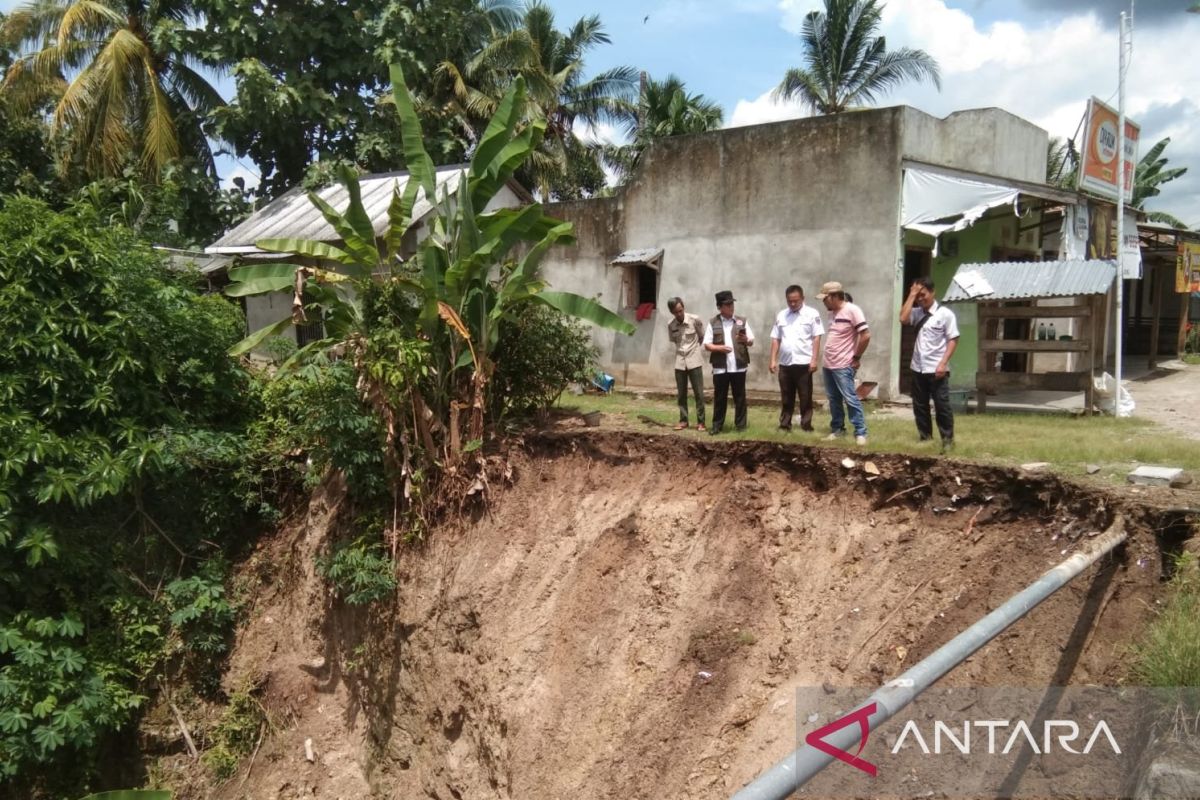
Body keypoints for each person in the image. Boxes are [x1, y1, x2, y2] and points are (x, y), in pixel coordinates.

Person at [900, 277, 960, 451]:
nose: (920, 299)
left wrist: (943, 363)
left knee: (942, 406)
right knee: (920, 405)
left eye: (923, 295)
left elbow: (953, 339)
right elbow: (903, 319)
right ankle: (925, 437)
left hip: (937, 368)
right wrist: (911, 295)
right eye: (918, 295)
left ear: (933, 293)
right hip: (918, 367)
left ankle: (947, 440)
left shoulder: (945, 314)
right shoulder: (917, 313)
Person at [815, 281, 870, 445]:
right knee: (833, 399)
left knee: (850, 398)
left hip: (844, 364)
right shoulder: (832, 313)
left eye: (825, 299)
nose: (823, 302)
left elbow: (865, 335)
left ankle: (860, 432)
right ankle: (837, 429)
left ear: (833, 297)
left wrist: (856, 357)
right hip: (829, 364)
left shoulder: (852, 310)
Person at [769, 284, 824, 432]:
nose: (793, 304)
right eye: (790, 301)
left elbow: (816, 338)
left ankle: (806, 425)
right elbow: (775, 338)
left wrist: (814, 360)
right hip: (786, 363)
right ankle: (785, 424)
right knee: (786, 397)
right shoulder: (782, 315)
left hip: (804, 363)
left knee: (805, 397)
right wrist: (773, 359)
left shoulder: (812, 314)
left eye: (796, 301)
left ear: (802, 298)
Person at [703, 290, 754, 435]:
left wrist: (746, 340)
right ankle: (717, 426)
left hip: (738, 366)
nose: (731, 306)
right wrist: (720, 348)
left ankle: (741, 426)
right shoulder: (713, 322)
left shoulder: (741, 321)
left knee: (740, 397)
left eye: (732, 303)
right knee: (720, 398)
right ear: (720, 307)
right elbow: (707, 345)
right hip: (721, 368)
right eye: (727, 304)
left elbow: (751, 340)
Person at [666, 297, 706, 431]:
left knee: (698, 393)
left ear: (683, 308)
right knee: (681, 393)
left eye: (680, 310)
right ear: (672, 312)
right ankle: (683, 420)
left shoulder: (695, 320)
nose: (679, 314)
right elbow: (674, 341)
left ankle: (701, 422)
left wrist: (694, 351)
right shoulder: (671, 325)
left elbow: (702, 337)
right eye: (676, 312)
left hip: (694, 360)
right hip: (680, 362)